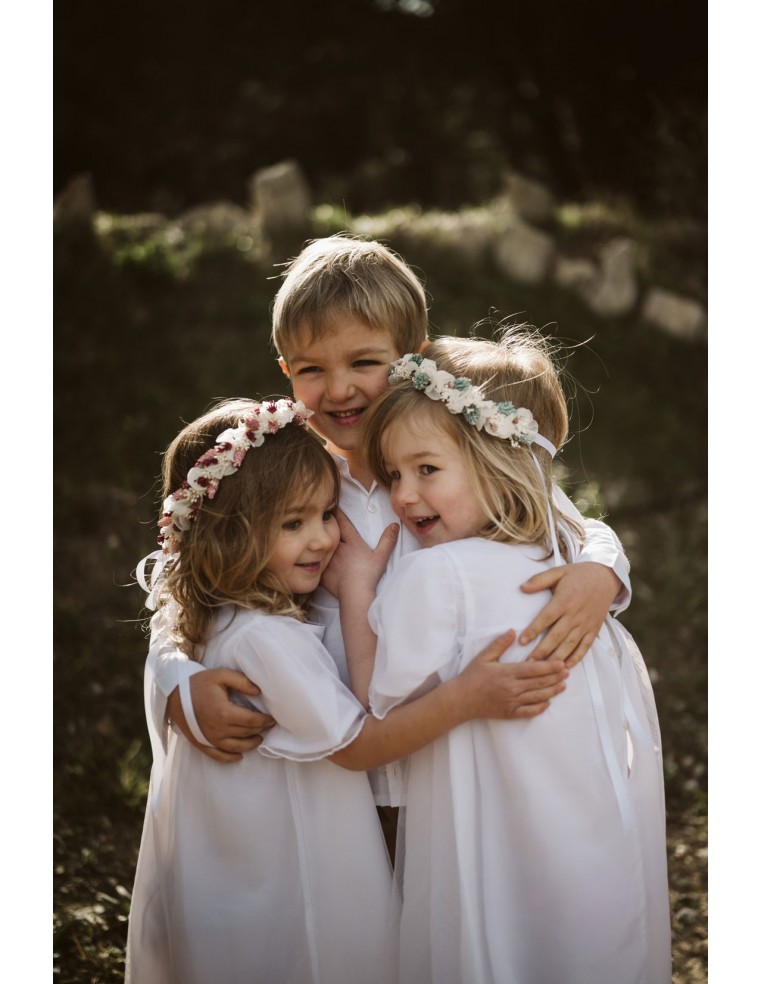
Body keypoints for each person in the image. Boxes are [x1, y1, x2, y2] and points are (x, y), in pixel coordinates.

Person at [149, 234, 632, 844]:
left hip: (453, 757)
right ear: (285, 372)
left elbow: (568, 521)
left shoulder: (460, 459)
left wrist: (602, 571)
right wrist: (174, 678)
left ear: (414, 359)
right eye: (313, 370)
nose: (340, 389)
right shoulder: (286, 476)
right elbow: (186, 575)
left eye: (364, 362)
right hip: (337, 768)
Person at [126, 397, 569, 984]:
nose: (323, 540)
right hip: (292, 856)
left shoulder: (228, 613)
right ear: (229, 533)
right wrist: (466, 697)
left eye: (326, 515)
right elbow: (356, 746)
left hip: (256, 850)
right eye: (293, 524)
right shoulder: (267, 637)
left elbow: (570, 520)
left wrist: (602, 570)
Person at [338, 331, 671, 984]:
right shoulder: (562, 554)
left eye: (426, 470)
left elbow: (375, 688)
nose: (404, 496)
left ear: (500, 462)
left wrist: (355, 590)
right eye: (395, 475)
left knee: (496, 939)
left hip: (496, 827)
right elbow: (587, 532)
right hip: (589, 823)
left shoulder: (445, 574)